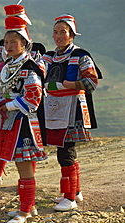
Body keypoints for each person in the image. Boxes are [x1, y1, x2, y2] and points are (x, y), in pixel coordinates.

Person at [0, 4, 46, 187]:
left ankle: (28, 192)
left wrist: (9, 103)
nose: (8, 45)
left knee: (24, 149)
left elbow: (37, 82)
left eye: (18, 19)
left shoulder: (34, 55)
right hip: (6, 97)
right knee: (6, 142)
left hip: (24, 105)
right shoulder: (6, 54)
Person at [0, 16, 46, 223]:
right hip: (11, 121)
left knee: (24, 167)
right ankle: (29, 206)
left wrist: (9, 105)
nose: (9, 45)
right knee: (23, 167)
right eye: (6, 42)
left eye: (14, 41)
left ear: (24, 44)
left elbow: (34, 97)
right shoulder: (8, 66)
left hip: (23, 123)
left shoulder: (29, 67)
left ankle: (24, 211)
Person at [42, 14, 101, 211]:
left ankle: (69, 198)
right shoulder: (48, 57)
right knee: (66, 151)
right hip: (54, 107)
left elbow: (92, 82)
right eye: (55, 32)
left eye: (63, 32)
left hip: (72, 108)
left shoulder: (81, 56)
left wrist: (69, 84)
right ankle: (74, 191)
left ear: (72, 35)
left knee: (66, 152)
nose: (58, 36)